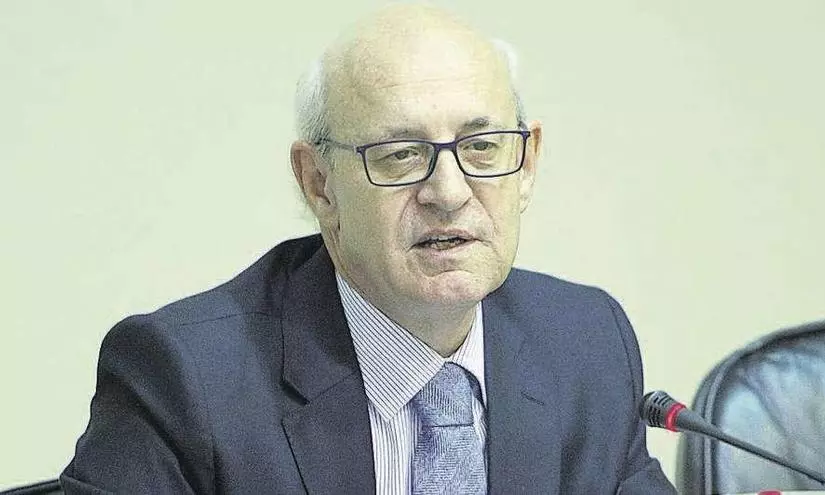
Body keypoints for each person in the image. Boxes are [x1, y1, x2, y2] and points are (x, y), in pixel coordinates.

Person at [62, 5, 675, 494]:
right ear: (319, 184)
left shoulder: (586, 344)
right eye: (401, 155)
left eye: (482, 147)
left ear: (528, 164)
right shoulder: (185, 380)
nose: (449, 192)